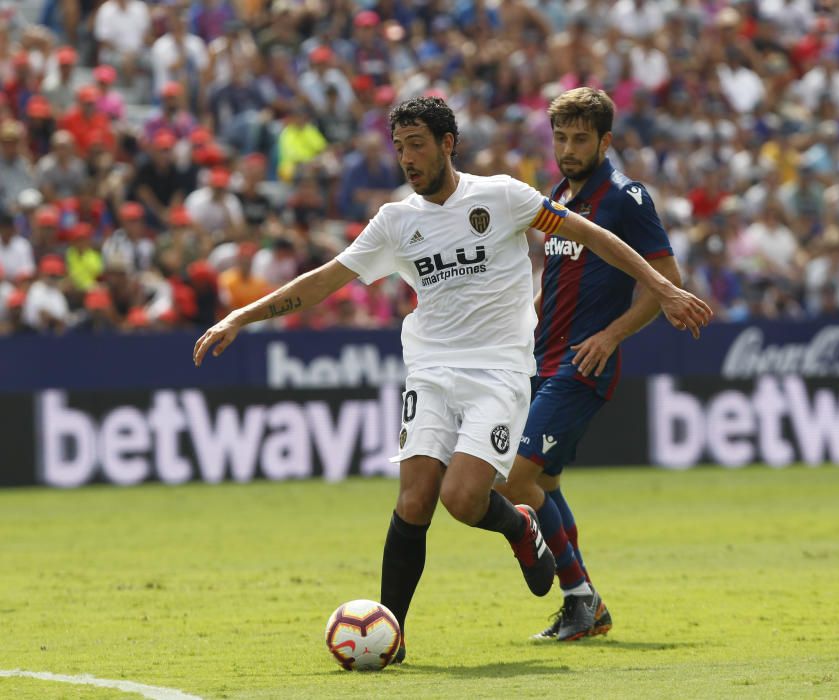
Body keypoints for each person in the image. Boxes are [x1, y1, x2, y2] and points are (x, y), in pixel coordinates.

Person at [193, 97, 711, 663]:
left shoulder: (503, 197)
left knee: (462, 499)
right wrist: (240, 316)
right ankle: (392, 638)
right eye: (399, 148)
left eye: (417, 145)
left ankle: (518, 527)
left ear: (447, 144)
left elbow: (593, 237)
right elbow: (324, 281)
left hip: (498, 372)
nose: (407, 159)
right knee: (415, 500)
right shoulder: (395, 221)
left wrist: (663, 289)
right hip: (430, 370)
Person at [496, 87, 691, 642]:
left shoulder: (626, 198)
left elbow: (665, 283)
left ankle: (580, 597)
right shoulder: (558, 192)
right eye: (561, 137)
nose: (568, 147)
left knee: (515, 478)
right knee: (545, 484)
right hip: (542, 356)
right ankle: (584, 607)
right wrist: (522, 327)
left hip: (584, 362)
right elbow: (554, 281)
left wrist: (611, 334)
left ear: (605, 141)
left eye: (581, 138)